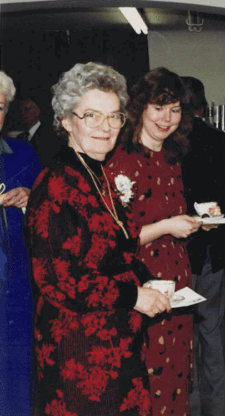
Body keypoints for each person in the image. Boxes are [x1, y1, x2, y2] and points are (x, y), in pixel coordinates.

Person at [27, 62, 172, 416]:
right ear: (66, 121)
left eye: (113, 117)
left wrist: (144, 279)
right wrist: (133, 294)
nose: (105, 128)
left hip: (115, 344)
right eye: (91, 115)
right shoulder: (56, 186)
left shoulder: (96, 174)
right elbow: (58, 280)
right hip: (79, 353)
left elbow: (113, 248)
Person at [107, 67, 200, 416]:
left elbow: (165, 218)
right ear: (141, 108)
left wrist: (185, 225)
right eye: (159, 107)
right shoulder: (122, 160)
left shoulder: (171, 158)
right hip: (141, 284)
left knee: (177, 374)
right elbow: (116, 240)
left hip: (177, 282)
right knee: (147, 376)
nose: (167, 118)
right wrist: (167, 226)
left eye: (175, 109)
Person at [181, 76, 225, 416]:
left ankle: (187, 404)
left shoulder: (160, 144)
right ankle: (215, 408)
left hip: (177, 251)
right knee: (211, 330)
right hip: (211, 250)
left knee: (180, 331)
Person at [0, 71, 43, 416]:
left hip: (15, 290)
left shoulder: (24, 154)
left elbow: (50, 226)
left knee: (15, 381)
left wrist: (31, 200)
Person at [17, 96, 61, 167]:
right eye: (21, 111)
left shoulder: (49, 135)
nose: (23, 113)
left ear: (37, 112)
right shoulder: (20, 138)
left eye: (26, 110)